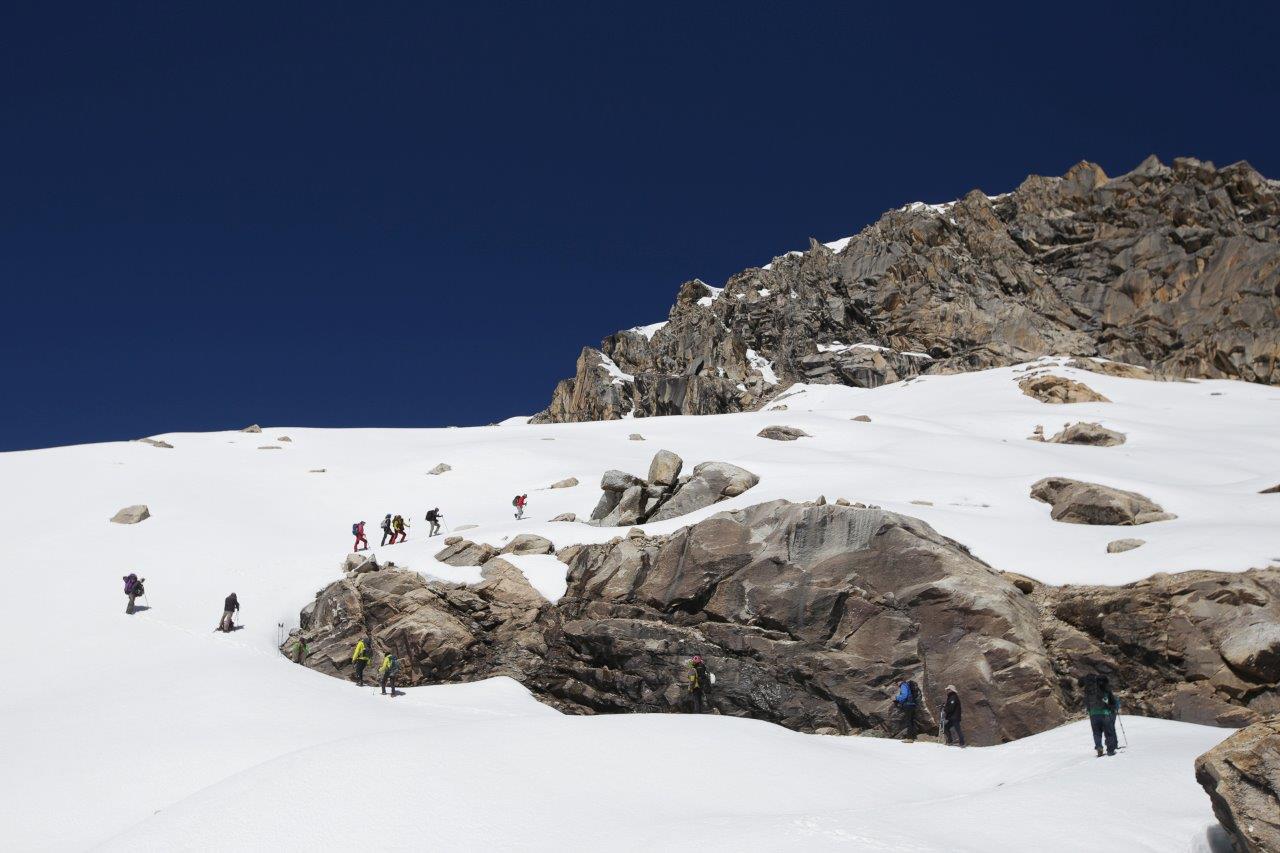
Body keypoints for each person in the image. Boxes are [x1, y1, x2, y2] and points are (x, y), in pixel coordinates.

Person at [1082, 674, 1120, 756]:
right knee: (1108, 732)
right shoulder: (1106, 689)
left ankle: (1099, 747)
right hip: (1105, 714)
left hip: (1093, 715)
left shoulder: (1089, 691)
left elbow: (1086, 703)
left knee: (1096, 732)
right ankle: (1110, 750)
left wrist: (1090, 710)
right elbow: (1112, 702)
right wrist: (1113, 707)